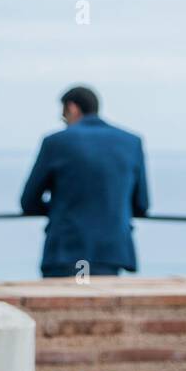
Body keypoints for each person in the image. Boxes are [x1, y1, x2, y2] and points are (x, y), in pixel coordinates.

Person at [20, 86, 150, 278]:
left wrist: (59, 208)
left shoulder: (56, 142)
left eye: (63, 115)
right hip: (111, 252)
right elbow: (142, 204)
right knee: (99, 304)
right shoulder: (132, 142)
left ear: (72, 108)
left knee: (63, 305)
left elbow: (28, 202)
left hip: (66, 249)